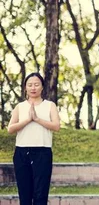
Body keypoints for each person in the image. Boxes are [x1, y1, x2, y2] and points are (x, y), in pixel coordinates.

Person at [8, 72, 60, 205]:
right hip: (22, 153)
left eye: (36, 84)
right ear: (25, 87)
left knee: (40, 195)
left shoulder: (50, 105)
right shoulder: (20, 107)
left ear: (42, 87)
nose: (33, 88)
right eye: (30, 85)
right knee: (24, 195)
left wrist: (37, 119)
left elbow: (56, 126)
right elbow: (10, 129)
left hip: (43, 152)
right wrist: (27, 120)